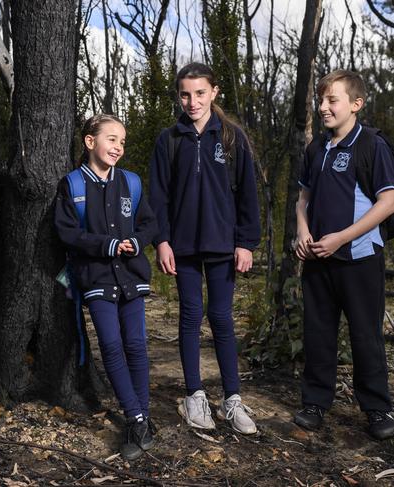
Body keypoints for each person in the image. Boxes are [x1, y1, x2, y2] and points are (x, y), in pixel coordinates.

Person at [149, 62, 261, 435]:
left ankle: (232, 399)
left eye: (200, 93)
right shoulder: (170, 139)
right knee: (190, 316)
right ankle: (194, 395)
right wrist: (161, 240)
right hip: (182, 247)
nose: (192, 101)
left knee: (223, 318)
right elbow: (158, 197)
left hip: (222, 246)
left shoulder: (231, 137)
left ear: (214, 92)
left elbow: (247, 195)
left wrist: (245, 242)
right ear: (178, 96)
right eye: (185, 94)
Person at [294, 69, 394, 440]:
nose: (323, 107)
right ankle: (315, 403)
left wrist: (341, 238)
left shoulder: (372, 145)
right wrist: (303, 232)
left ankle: (378, 409)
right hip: (318, 259)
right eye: (321, 100)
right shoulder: (316, 148)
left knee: (366, 335)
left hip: (360, 258)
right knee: (318, 333)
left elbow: (388, 202)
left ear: (356, 104)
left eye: (331, 100)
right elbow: (303, 199)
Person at [55, 113, 158, 461]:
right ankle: (135, 417)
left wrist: (135, 240)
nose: (118, 147)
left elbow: (148, 223)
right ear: (90, 142)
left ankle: (140, 420)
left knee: (136, 345)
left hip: (131, 275)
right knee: (112, 346)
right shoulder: (72, 185)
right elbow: (67, 233)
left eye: (123, 141)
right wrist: (108, 245)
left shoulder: (131, 182)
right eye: (111, 139)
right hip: (96, 278)